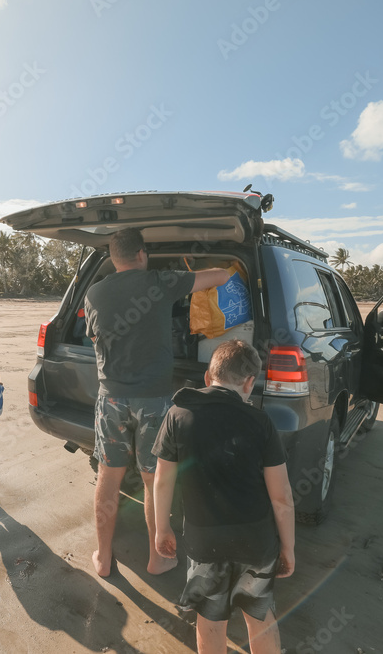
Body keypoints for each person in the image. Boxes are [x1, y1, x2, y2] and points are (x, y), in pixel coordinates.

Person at [83, 227, 230, 577]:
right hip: (153, 400)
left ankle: (103, 557)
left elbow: (94, 336)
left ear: (113, 258)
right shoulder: (161, 282)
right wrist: (220, 266)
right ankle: (157, 558)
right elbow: (220, 277)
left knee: (108, 477)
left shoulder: (94, 292)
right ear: (141, 254)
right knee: (154, 480)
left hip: (111, 398)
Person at [152, 339, 295, 654]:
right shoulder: (261, 422)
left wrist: (162, 529)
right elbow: (282, 497)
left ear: (208, 377)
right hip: (255, 542)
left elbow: (162, 481)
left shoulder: (178, 415)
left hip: (205, 543)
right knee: (259, 616)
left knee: (211, 618)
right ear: (249, 382)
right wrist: (288, 547)